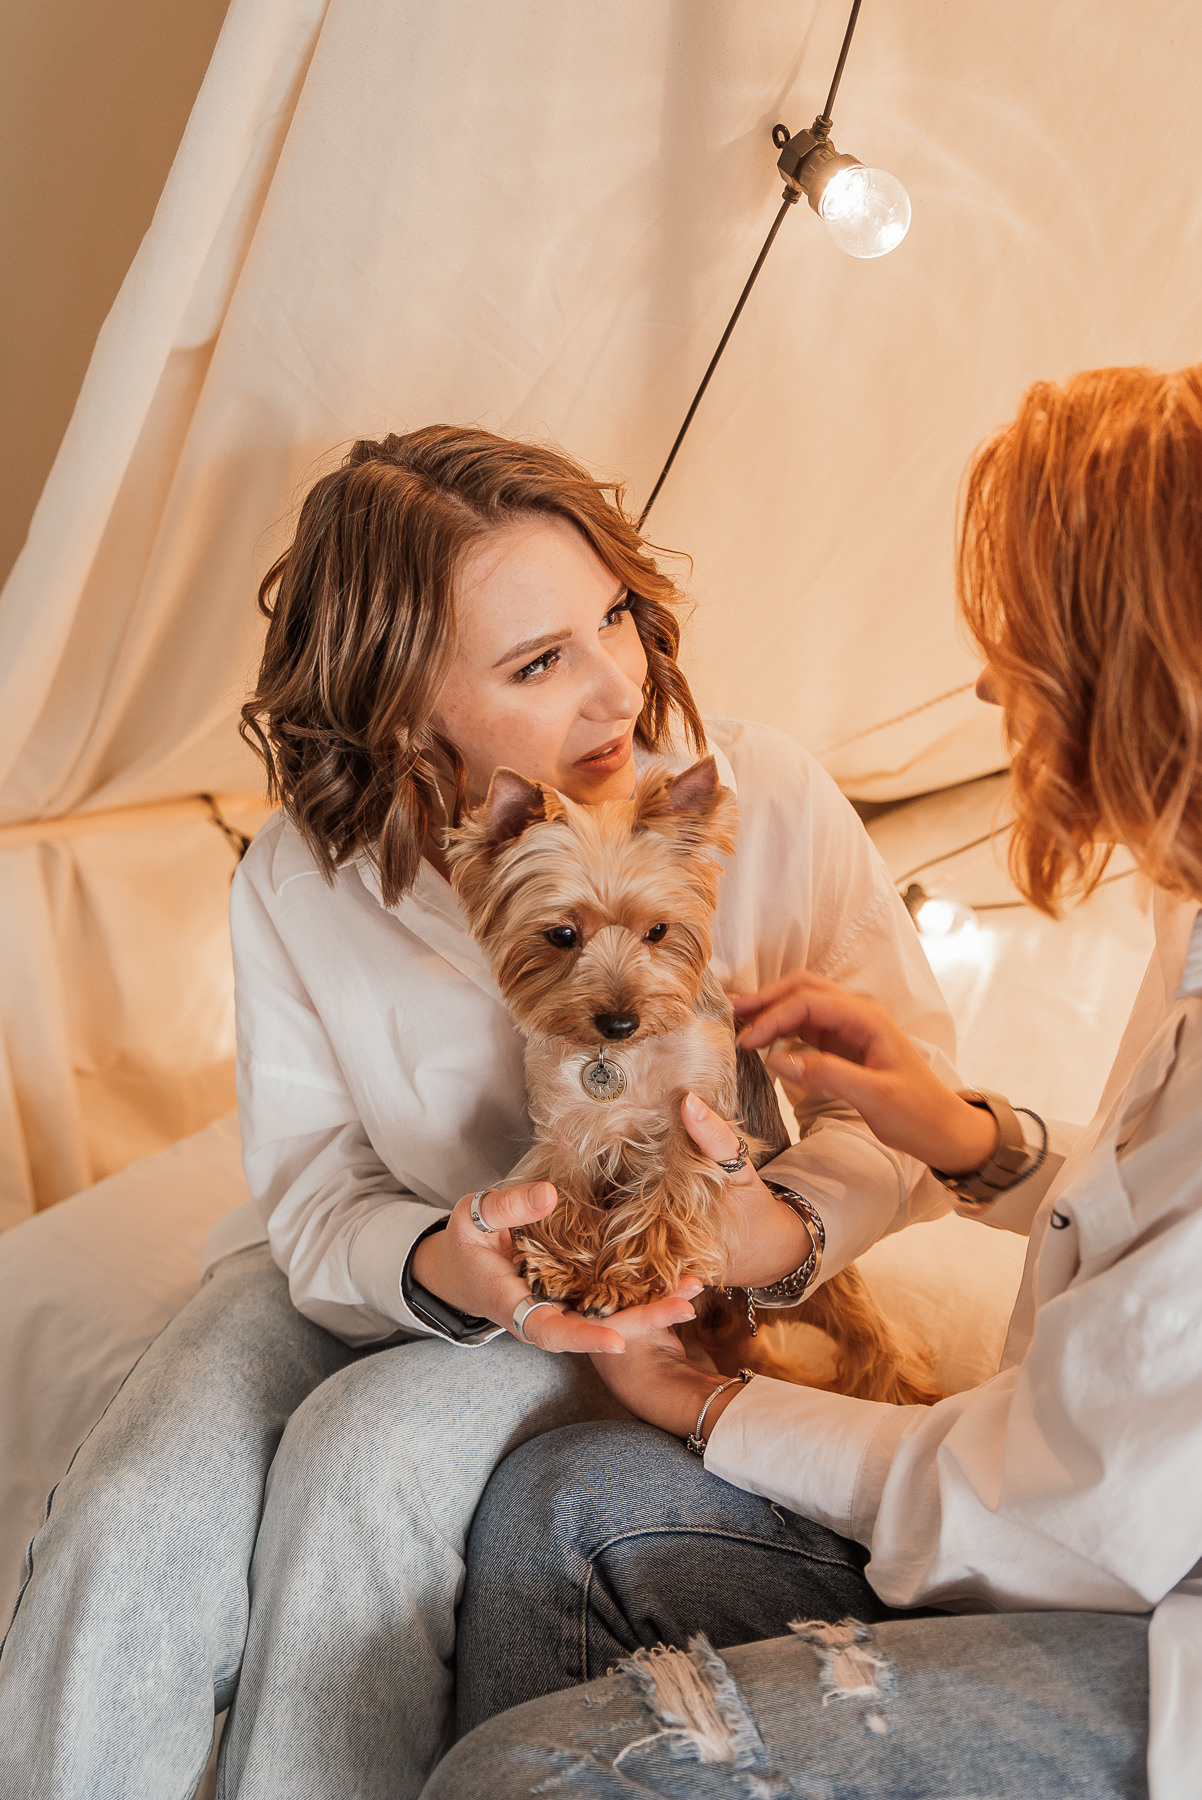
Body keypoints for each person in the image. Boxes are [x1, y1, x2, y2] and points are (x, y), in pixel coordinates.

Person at [0, 426, 960, 1800]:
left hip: (624, 1272)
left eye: (612, 618)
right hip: (381, 1252)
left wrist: (770, 1231)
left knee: (363, 1459)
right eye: (538, 661)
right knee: (135, 1497)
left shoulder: (750, 796)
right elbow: (318, 1190)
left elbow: (906, 1116)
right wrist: (441, 1263)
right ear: (403, 710)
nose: (615, 680)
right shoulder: (296, 874)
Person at [427, 365, 1202, 1800]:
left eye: (1018, 642)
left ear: (1140, 656)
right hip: (1077, 1510)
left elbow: (1065, 1508)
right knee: (554, 1503)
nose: (979, 684)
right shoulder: (1185, 907)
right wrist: (971, 1142)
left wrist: (711, 1409)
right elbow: (1162, 1244)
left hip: (1138, 1606)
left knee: (543, 1771)